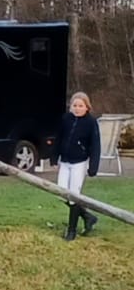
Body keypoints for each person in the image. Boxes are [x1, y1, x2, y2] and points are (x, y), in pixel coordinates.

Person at [53, 91, 102, 240]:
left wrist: (93, 167)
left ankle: (72, 230)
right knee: (61, 192)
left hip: (79, 163)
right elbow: (59, 137)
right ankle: (87, 216)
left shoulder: (91, 122)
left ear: (87, 107)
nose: (77, 108)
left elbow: (95, 146)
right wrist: (54, 158)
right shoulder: (66, 119)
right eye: (74, 105)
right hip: (65, 161)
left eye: (80, 106)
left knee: (74, 195)